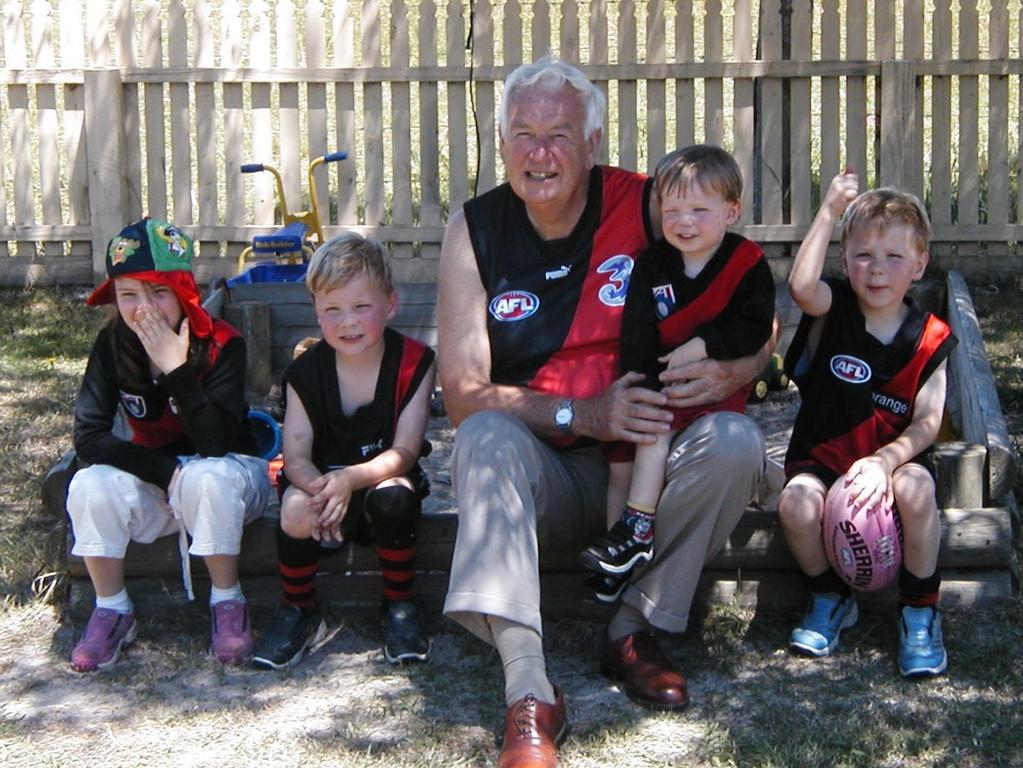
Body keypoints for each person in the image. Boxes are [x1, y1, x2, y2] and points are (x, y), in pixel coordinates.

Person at [438, 57, 772, 768]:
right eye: (522, 133)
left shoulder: (649, 202)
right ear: (500, 145)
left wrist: (734, 368)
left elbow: (752, 295)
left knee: (737, 440)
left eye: (560, 133)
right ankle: (529, 690)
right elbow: (463, 391)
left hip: (650, 463)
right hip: (546, 468)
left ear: (593, 144)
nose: (540, 152)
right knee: (483, 434)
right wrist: (584, 415)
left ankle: (631, 628)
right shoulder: (474, 230)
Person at [67, 218, 271, 671]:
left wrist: (176, 370)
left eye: (159, 293)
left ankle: (227, 600)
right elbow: (88, 436)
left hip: (230, 475)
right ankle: (112, 608)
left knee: (207, 475)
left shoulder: (222, 344)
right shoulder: (111, 344)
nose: (145, 310)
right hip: (158, 479)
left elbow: (216, 443)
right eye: (128, 295)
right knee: (88, 484)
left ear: (183, 291)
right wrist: (162, 471)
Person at [779, 171, 957, 677]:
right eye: (863, 256)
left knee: (920, 488)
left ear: (920, 264)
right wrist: (829, 210)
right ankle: (830, 598)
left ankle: (919, 610)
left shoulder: (931, 336)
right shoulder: (832, 308)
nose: (877, 270)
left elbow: (927, 421)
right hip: (828, 460)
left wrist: (885, 461)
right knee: (794, 502)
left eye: (894, 258)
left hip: (892, 468)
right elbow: (800, 286)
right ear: (845, 261)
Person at [580, 145, 776, 602]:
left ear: (731, 212)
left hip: (711, 395)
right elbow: (637, 334)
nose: (684, 221)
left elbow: (754, 324)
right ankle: (619, 551)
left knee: (655, 435)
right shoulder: (652, 264)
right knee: (625, 455)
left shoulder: (746, 262)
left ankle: (638, 528)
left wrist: (706, 344)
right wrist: (641, 385)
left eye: (699, 210)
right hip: (661, 387)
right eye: (672, 210)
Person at [251, 232, 436, 670]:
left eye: (361, 307)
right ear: (315, 311)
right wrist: (322, 490)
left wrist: (350, 481)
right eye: (332, 309)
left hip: (379, 483)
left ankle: (399, 604)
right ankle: (299, 608)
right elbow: (294, 455)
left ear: (390, 304)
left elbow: (406, 451)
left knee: (395, 494)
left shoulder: (415, 362)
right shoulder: (303, 373)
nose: (347, 322)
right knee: (294, 508)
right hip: (323, 485)